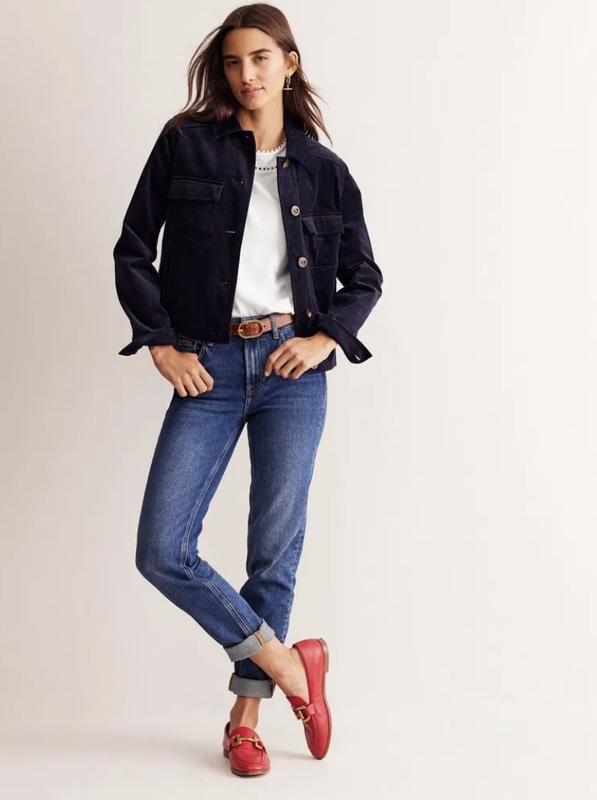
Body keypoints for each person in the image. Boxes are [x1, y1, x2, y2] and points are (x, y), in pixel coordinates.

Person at [113, 2, 383, 777]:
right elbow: (132, 249)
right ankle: (292, 666)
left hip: (290, 373)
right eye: (232, 62)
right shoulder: (185, 143)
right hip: (209, 364)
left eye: (260, 58)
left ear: (288, 63)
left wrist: (325, 337)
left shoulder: (323, 169)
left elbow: (363, 276)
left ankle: (245, 719)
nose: (246, 74)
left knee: (273, 547)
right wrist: (159, 341)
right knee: (162, 549)